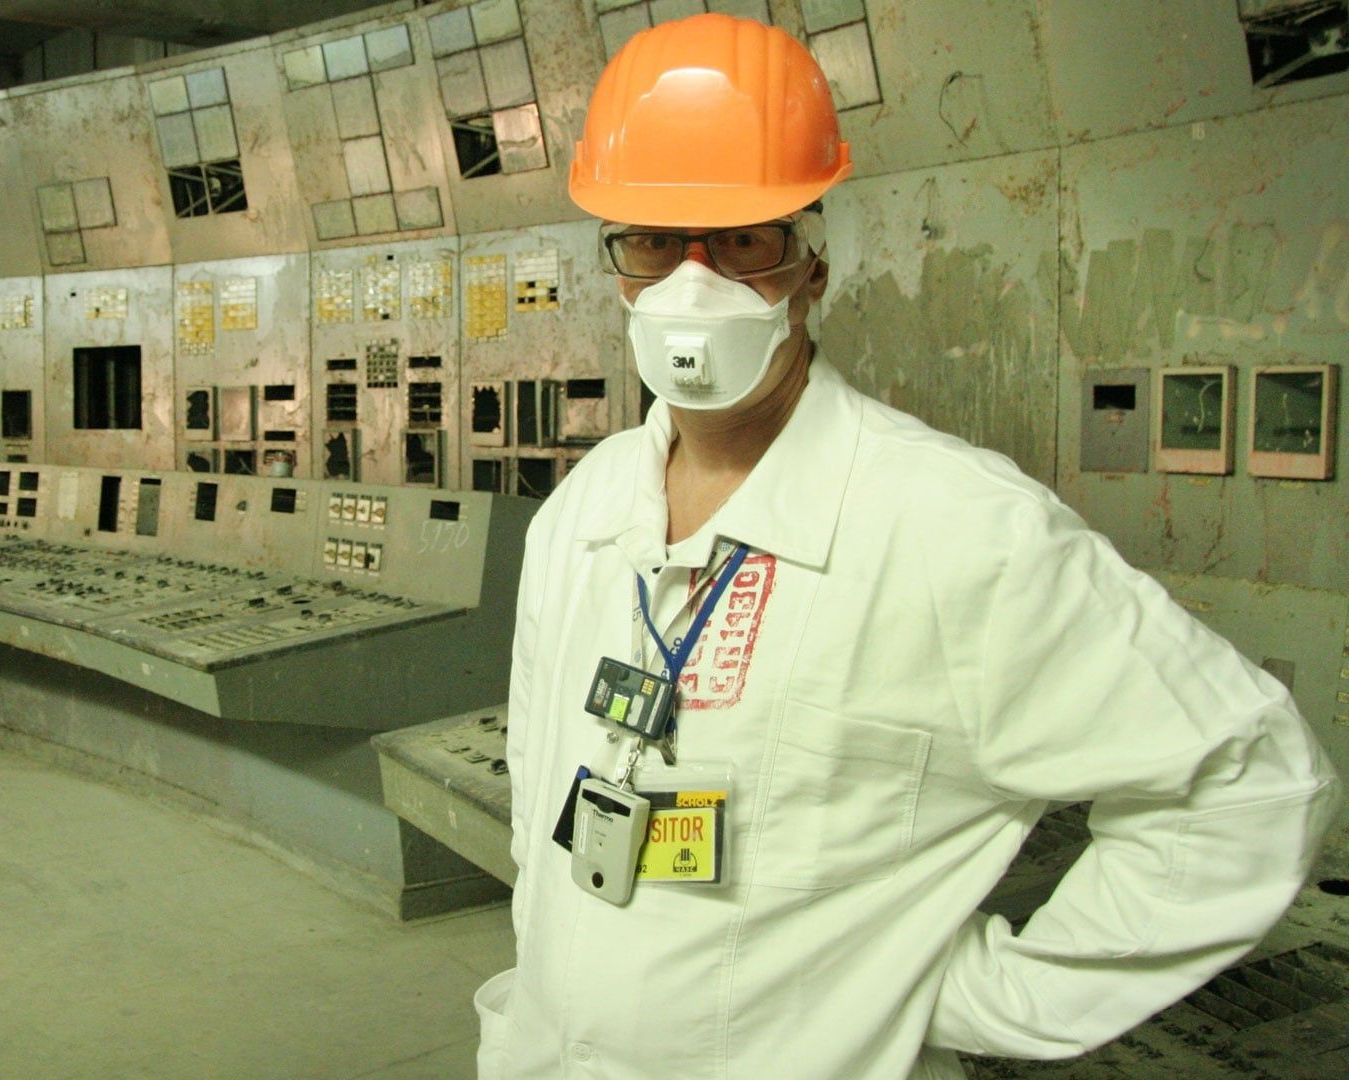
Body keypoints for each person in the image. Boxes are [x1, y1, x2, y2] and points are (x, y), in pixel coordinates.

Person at [475, 13, 1339, 1079]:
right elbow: (539, 792)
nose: (691, 287)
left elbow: (1247, 779)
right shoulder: (584, 511)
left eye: (743, 242)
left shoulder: (951, 525)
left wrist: (973, 996)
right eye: (653, 242)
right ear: (616, 263)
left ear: (814, 264)